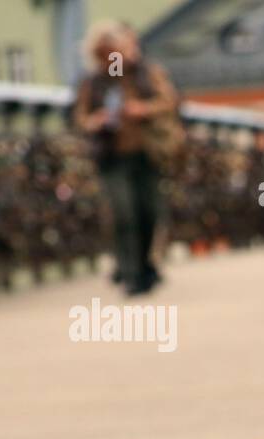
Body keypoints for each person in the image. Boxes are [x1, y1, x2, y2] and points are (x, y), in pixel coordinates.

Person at [74, 22, 178, 295]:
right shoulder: (94, 82)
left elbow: (170, 101)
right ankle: (131, 273)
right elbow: (81, 117)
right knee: (124, 213)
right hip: (111, 157)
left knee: (149, 213)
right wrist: (95, 121)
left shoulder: (146, 73)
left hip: (147, 152)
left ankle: (145, 265)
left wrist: (143, 109)